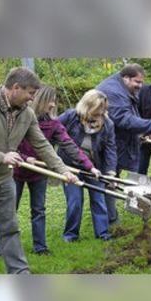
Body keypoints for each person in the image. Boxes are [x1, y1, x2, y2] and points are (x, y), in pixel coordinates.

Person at [0, 67, 77, 274]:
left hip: (2, 178)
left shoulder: (26, 113)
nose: (31, 99)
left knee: (10, 229)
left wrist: (62, 169)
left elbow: (42, 144)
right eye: (30, 94)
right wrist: (1, 156)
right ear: (16, 88)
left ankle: (20, 274)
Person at [0, 85, 98, 256]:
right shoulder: (20, 118)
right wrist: (25, 158)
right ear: (39, 99)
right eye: (50, 100)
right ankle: (1, 249)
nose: (53, 104)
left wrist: (89, 166)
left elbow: (69, 145)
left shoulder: (54, 124)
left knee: (39, 210)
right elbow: (8, 143)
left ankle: (40, 247)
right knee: (10, 209)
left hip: (39, 174)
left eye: (54, 100)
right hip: (17, 172)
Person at [97, 63, 151, 225]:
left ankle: (145, 208)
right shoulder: (113, 92)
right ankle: (112, 221)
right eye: (137, 82)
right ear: (126, 78)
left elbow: (130, 114)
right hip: (108, 145)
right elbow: (124, 119)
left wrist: (140, 132)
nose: (140, 86)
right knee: (110, 179)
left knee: (124, 177)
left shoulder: (122, 87)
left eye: (142, 82)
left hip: (121, 142)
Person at [59, 89, 117, 242]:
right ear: (87, 106)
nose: (100, 114)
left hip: (95, 167)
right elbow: (52, 131)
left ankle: (103, 233)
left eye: (103, 110)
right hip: (70, 165)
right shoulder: (71, 117)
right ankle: (70, 236)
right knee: (75, 201)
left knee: (98, 199)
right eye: (97, 111)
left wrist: (111, 172)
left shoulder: (107, 123)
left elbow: (111, 149)